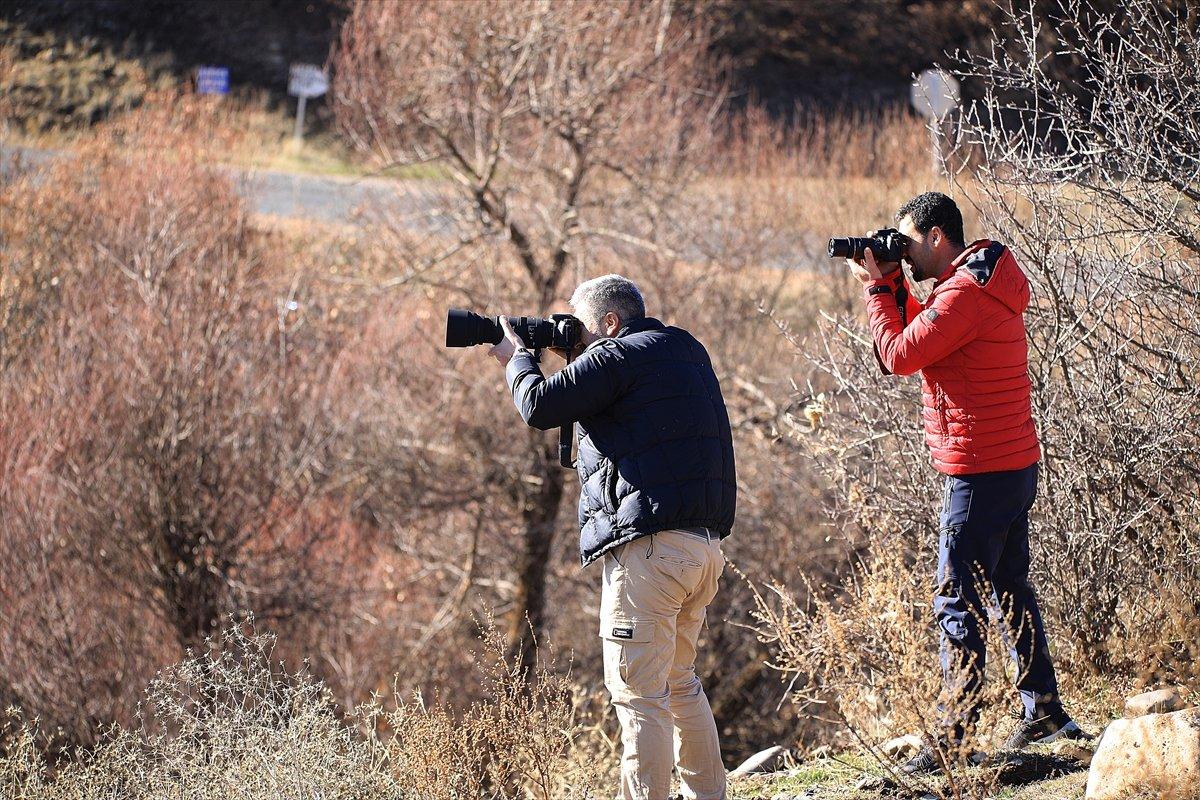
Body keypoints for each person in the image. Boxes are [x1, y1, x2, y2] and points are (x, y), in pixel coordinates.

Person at [845, 192, 1088, 774]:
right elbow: (924, 335)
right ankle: (1046, 711)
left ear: (936, 237)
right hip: (1013, 463)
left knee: (957, 598)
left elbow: (899, 355)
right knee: (1009, 587)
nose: (903, 253)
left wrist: (877, 289)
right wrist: (894, 283)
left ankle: (953, 737)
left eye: (907, 243)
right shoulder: (984, 279)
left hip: (979, 470)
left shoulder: (962, 295)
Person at [487, 274, 736, 800]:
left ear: (609, 322)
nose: (573, 335)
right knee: (679, 684)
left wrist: (516, 357)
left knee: (639, 696)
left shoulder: (614, 357)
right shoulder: (684, 349)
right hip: (701, 548)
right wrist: (578, 353)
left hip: (649, 555)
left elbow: (538, 406)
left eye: (578, 326)